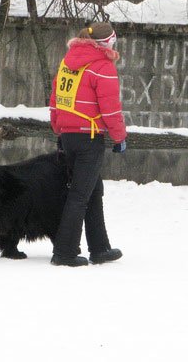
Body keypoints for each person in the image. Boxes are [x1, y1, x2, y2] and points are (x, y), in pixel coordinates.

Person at [49, 21, 127, 267]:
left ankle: (100, 248)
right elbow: (110, 108)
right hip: (90, 137)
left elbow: (55, 101)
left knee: (93, 190)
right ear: (107, 43)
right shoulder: (102, 67)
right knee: (80, 194)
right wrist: (119, 137)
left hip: (70, 136)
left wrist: (59, 129)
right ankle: (64, 252)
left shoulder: (67, 63)